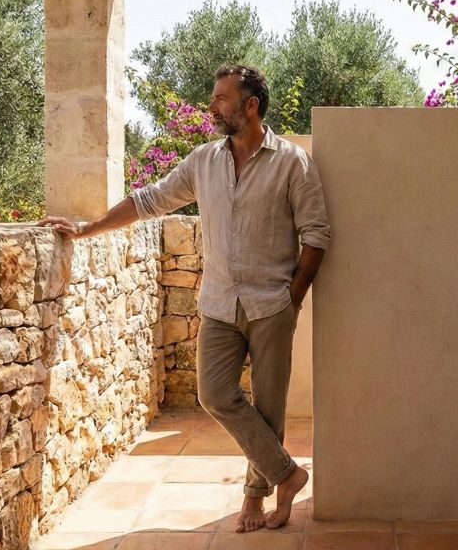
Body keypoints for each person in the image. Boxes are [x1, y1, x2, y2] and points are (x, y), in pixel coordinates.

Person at [38, 64, 330, 533]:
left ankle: (256, 500)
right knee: (214, 395)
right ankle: (287, 475)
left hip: (272, 304)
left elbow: (316, 235)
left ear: (250, 105)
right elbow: (149, 200)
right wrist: (87, 229)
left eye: (221, 98)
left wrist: (292, 300)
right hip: (218, 303)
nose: (212, 106)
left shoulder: (291, 162)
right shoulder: (203, 161)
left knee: (269, 407)